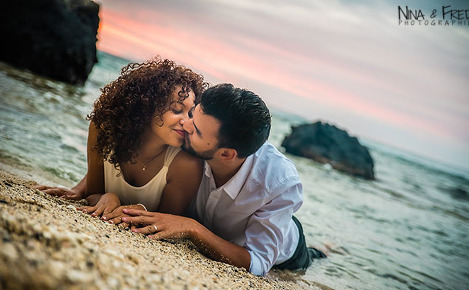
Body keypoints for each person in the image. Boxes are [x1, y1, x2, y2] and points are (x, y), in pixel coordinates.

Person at [121, 83, 326, 276]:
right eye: (193, 114)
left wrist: (192, 228)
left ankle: (326, 249)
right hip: (223, 230)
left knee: (316, 256)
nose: (185, 124)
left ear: (226, 154)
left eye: (197, 131)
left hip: (286, 250)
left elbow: (258, 263)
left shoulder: (278, 183)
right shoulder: (187, 144)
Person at [36, 58, 207, 223]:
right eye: (176, 109)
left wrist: (140, 209)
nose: (187, 121)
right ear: (145, 106)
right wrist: (108, 197)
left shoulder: (185, 164)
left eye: (191, 113)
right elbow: (93, 194)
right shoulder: (103, 131)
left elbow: (168, 223)